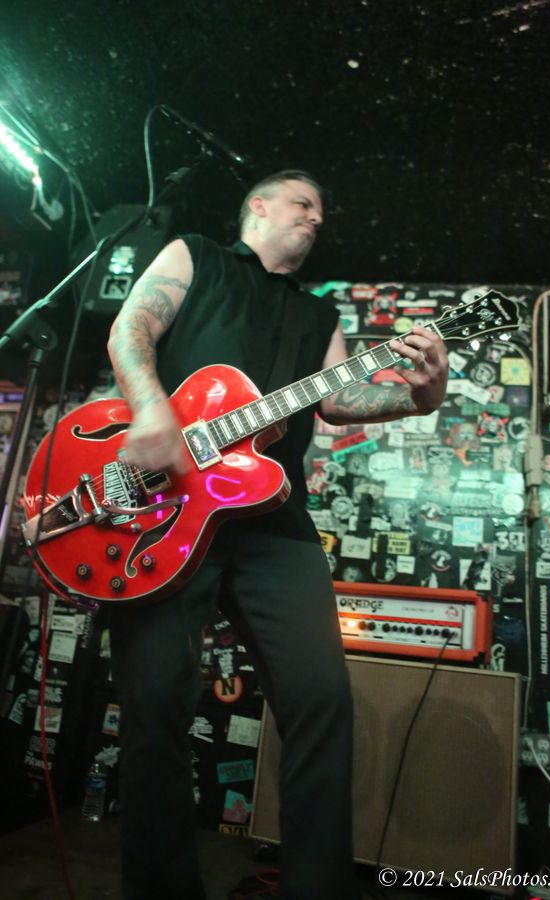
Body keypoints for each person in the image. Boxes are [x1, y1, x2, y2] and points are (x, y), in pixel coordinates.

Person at [106, 170, 449, 900]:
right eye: (303, 204)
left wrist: (419, 398)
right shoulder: (194, 256)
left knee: (322, 701)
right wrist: (152, 408)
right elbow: (131, 327)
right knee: (156, 706)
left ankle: (318, 887)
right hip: (167, 512)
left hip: (275, 522)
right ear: (257, 207)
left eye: (321, 211)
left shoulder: (317, 313)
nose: (316, 219)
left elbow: (339, 400)